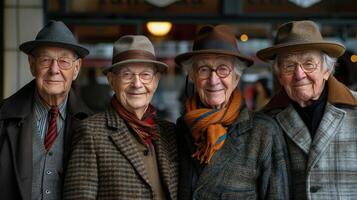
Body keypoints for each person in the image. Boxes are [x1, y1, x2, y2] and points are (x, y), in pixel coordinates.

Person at [174, 25, 289, 200]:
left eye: (223, 69)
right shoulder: (179, 130)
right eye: (204, 69)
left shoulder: (263, 132)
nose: (213, 80)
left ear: (235, 77)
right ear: (193, 77)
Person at [64, 35, 178, 199]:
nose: (137, 84)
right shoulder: (91, 133)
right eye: (127, 75)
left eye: (145, 75)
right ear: (111, 80)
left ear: (156, 81)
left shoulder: (170, 133)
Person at [257, 20, 357, 199]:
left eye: (309, 63)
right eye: (289, 66)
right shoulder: (264, 122)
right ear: (279, 75)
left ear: (327, 70)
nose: (299, 74)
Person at [0, 20, 92, 200]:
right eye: (45, 60)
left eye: (64, 61)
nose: (54, 70)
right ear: (32, 65)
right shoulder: (3, 117)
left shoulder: (92, 125)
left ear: (76, 69)